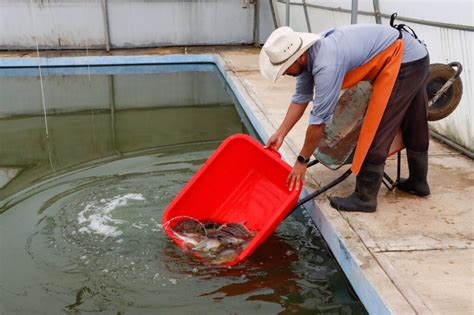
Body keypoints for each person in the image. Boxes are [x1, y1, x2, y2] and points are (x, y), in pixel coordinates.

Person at [259, 19, 431, 213]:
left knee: (377, 126)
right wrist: (281, 133)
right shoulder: (308, 56)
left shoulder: (327, 66)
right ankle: (418, 182)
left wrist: (302, 160)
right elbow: (300, 98)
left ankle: (365, 198)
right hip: (415, 55)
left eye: (285, 69)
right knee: (415, 122)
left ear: (298, 58)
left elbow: (318, 123)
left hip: (404, 61)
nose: (284, 74)